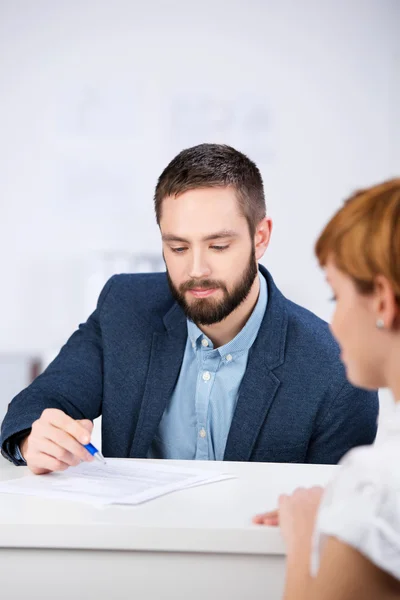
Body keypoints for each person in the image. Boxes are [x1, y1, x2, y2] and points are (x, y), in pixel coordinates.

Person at [0, 144, 378, 475]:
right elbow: (40, 402)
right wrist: (34, 437)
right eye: (178, 248)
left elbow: (335, 522)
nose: (196, 270)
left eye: (218, 246)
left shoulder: (336, 369)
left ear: (259, 238)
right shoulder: (124, 306)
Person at [254, 179, 400, 599]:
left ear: (383, 303)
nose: (331, 323)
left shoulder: (375, 485)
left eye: (335, 297)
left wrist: (304, 534)